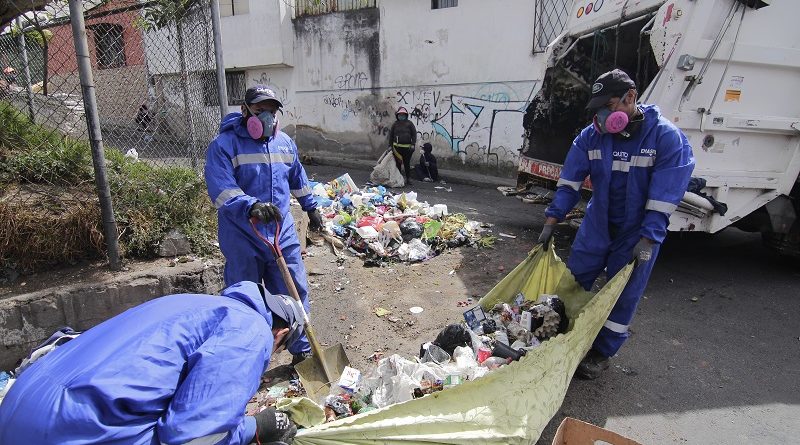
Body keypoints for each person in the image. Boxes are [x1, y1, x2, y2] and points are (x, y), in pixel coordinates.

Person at [0, 281, 303, 445]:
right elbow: (193, 434)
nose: (271, 356)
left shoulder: (197, 303)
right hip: (69, 430)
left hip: (19, 408)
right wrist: (254, 427)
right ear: (282, 333)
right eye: (278, 349)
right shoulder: (250, 331)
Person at [537, 69, 694, 379]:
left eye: (608, 105)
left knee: (623, 293)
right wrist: (551, 220)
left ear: (630, 98)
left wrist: (648, 240)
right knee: (574, 280)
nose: (602, 115)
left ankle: (601, 352)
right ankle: (560, 333)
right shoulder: (591, 137)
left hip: (637, 231)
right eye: (598, 109)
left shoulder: (665, 139)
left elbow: (664, 198)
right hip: (598, 223)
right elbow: (569, 184)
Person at [205, 85, 323, 364]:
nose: (268, 117)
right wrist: (250, 205)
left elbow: (298, 177)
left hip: (282, 235)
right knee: (246, 298)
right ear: (245, 111)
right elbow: (221, 189)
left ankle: (303, 352)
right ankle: (246, 357)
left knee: (294, 290)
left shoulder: (284, 142)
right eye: (261, 111)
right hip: (244, 235)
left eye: (272, 111)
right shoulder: (224, 145)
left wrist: (312, 207)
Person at [388, 106, 417, 183]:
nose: (401, 116)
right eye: (400, 115)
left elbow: (414, 134)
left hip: (407, 148)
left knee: (407, 164)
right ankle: (399, 179)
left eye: (403, 115)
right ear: (397, 116)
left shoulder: (410, 124)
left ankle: (408, 178)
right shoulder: (395, 124)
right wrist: (390, 146)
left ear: (406, 115)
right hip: (396, 148)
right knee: (398, 164)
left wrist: (413, 144)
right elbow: (391, 136)